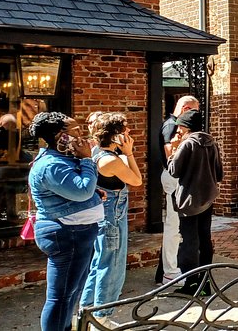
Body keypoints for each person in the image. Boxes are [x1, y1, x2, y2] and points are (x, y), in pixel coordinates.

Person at [27, 112, 102, 331]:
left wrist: (94, 193)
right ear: (61, 136)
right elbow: (82, 191)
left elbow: (77, 190)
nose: (82, 134)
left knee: (71, 293)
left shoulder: (63, 159)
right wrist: (88, 159)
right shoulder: (52, 165)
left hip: (77, 232)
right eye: (76, 130)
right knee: (60, 297)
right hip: (66, 234)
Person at [80, 113, 142, 326]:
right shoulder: (109, 160)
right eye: (125, 130)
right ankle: (102, 316)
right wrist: (130, 154)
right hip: (111, 214)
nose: (129, 133)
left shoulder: (97, 152)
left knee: (99, 262)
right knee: (112, 263)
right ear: (115, 135)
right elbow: (136, 180)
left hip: (105, 212)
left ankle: (85, 313)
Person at [168, 109, 223, 294]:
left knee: (189, 242)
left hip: (189, 200)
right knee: (204, 239)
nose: (178, 131)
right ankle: (205, 282)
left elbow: (174, 171)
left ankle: (191, 283)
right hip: (207, 198)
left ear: (185, 127)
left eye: (180, 127)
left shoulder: (186, 145)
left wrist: (173, 150)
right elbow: (219, 173)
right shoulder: (211, 143)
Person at [155, 95, 198, 285]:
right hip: (174, 177)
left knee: (177, 227)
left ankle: (169, 269)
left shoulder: (172, 124)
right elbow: (170, 152)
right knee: (173, 226)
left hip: (176, 177)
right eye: (194, 111)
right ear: (186, 108)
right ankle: (170, 272)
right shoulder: (171, 125)